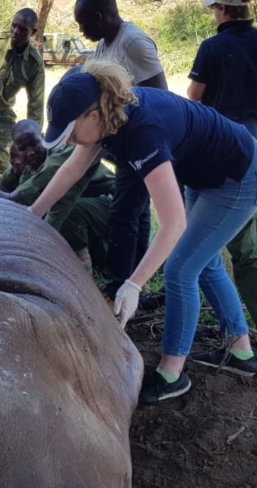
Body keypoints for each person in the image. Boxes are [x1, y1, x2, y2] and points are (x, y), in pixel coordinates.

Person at [31, 61, 257, 405]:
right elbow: (72, 168)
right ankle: (241, 352)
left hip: (240, 177)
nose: (69, 139)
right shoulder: (109, 115)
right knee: (203, 263)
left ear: (94, 115)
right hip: (205, 175)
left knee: (180, 268)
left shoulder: (143, 131)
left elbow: (173, 224)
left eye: (70, 131)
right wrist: (32, 214)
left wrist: (134, 284)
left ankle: (172, 373)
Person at [187, 0, 257, 372]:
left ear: (221, 9)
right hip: (243, 146)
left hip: (225, 157)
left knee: (246, 251)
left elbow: (193, 98)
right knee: (202, 258)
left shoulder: (212, 47)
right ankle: (238, 343)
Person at [74, 0, 167, 301]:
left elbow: (159, 96)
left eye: (83, 23)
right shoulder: (105, 43)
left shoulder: (134, 42)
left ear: (100, 17)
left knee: (123, 213)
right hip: (123, 140)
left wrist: (141, 142)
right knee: (136, 212)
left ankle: (120, 287)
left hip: (143, 141)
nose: (81, 30)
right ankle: (137, 278)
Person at [0, 120, 112, 271]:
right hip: (89, 210)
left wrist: (38, 245)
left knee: (71, 212)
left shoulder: (61, 151)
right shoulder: (28, 172)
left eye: (34, 144)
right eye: (23, 148)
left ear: (44, 138)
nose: (30, 152)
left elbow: (59, 205)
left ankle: (83, 267)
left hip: (111, 202)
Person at [0, 8, 45, 187]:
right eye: (14, 26)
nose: (16, 32)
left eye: (23, 29)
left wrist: (33, 143)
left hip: (1, 115)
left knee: (6, 172)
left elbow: (36, 106)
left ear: (33, 32)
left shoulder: (34, 63)